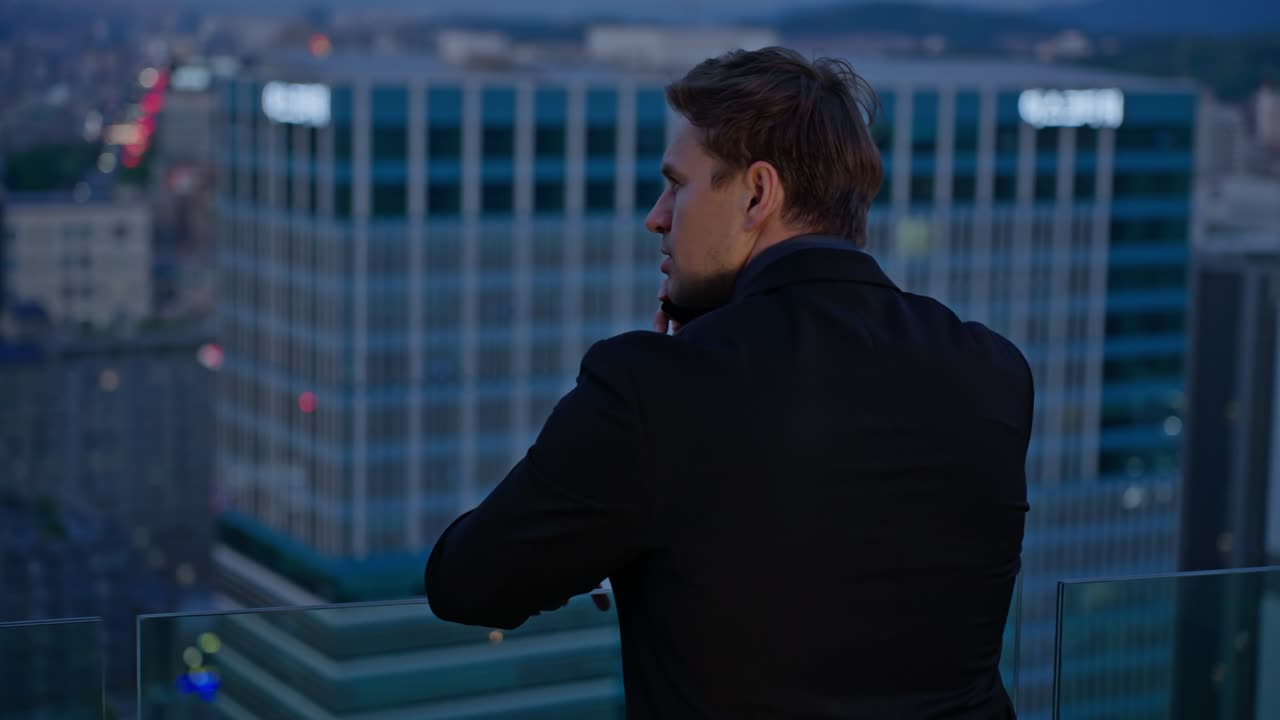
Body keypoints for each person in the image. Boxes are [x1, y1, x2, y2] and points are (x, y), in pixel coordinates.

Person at [425, 47, 1033, 719]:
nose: (657, 216)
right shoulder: (993, 371)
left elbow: (467, 584)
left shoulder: (656, 387)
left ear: (757, 194)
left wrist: (625, 445)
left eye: (677, 186)